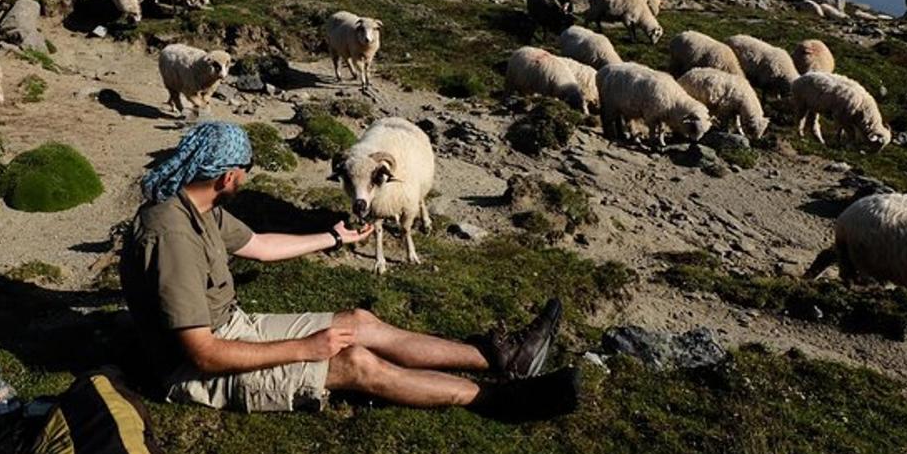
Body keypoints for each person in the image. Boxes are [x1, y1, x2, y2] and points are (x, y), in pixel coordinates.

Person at [120, 121, 579, 420]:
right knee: (354, 362)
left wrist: (335, 238)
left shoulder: (199, 204)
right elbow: (201, 353)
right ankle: (493, 400)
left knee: (360, 324)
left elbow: (258, 245)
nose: (246, 178)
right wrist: (305, 347)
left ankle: (501, 357)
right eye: (244, 171)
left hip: (233, 329)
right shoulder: (173, 236)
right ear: (225, 177)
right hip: (196, 370)